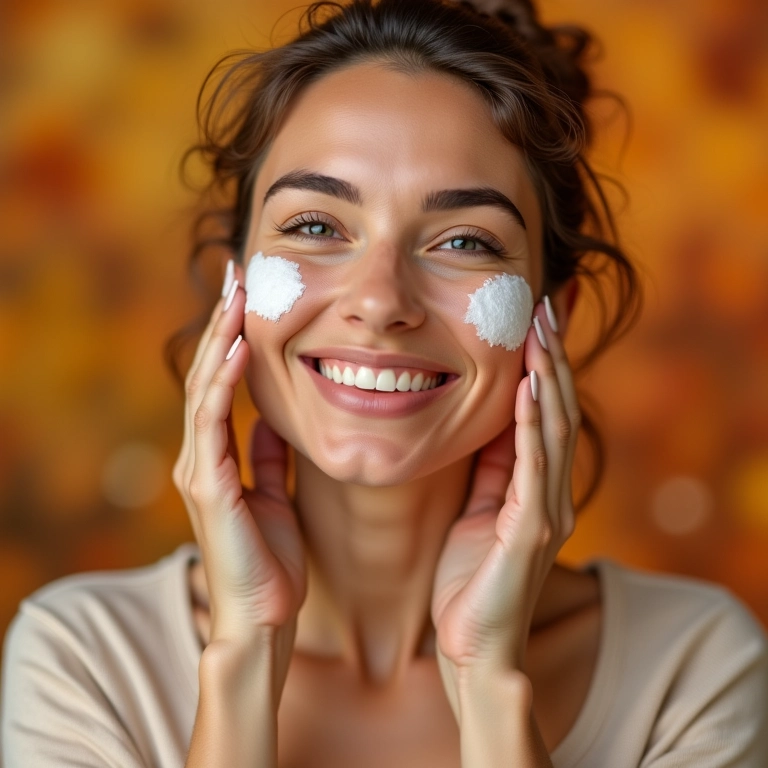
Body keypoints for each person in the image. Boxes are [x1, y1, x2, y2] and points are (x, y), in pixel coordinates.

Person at [2, 0, 767, 765]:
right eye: (314, 226)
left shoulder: (690, 668)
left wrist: (490, 681)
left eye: (465, 240)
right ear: (236, 284)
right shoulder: (84, 658)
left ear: (552, 312)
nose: (378, 300)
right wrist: (244, 652)